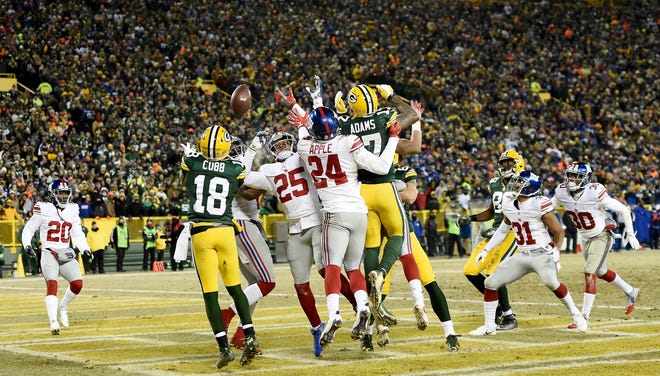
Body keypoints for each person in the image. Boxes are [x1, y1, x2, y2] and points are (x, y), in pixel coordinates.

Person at [287, 103, 400, 351]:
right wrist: (393, 137)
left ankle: (334, 315)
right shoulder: (348, 142)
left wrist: (299, 115)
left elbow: (306, 132)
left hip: (334, 214)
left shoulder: (305, 147)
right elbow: (382, 167)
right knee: (354, 269)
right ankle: (362, 307)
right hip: (359, 213)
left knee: (333, 268)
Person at [241, 130, 358, 357]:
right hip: (295, 231)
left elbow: (320, 149)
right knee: (300, 285)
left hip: (317, 223)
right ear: (272, 151)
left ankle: (358, 305)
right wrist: (253, 149)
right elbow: (244, 176)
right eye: (278, 144)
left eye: (286, 141)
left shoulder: (303, 157)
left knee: (328, 271)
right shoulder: (268, 170)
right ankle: (317, 328)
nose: (283, 146)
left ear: (294, 143)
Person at [334, 82, 427, 330]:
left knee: (371, 246)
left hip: (360, 191)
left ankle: (371, 288)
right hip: (385, 186)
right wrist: (393, 97)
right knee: (398, 233)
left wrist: (342, 111)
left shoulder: (346, 126)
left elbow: (330, 128)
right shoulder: (385, 116)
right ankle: (382, 274)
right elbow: (412, 114)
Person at [469, 171, 587, 335]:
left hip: (542, 254)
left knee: (551, 283)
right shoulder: (509, 202)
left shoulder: (539, 204)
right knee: (490, 283)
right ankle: (489, 327)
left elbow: (559, 231)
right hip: (523, 254)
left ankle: (576, 314)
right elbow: (503, 231)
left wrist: (556, 249)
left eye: (520, 182)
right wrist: (487, 249)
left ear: (529, 187)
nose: (515, 185)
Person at [180, 125, 259, 368]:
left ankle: (224, 348)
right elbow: (241, 170)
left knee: (210, 294)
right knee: (235, 288)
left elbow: (189, 169)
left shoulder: (190, 162)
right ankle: (251, 336)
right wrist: (253, 148)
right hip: (225, 231)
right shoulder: (234, 168)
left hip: (202, 233)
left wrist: (193, 153)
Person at [377, 164, 460, 352]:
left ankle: (450, 333)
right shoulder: (368, 166)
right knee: (378, 290)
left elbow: (410, 196)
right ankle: (369, 334)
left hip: (407, 233)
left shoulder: (403, 170)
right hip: (380, 236)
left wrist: (382, 188)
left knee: (430, 281)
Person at [551, 162, 642, 328]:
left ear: (585, 178)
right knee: (601, 272)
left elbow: (623, 209)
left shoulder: (594, 192)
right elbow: (546, 208)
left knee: (589, 272)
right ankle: (631, 291)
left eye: (577, 176)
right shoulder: (562, 191)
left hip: (601, 235)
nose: (572, 179)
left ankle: (584, 317)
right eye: (570, 175)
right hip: (585, 237)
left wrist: (630, 233)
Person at [220, 134, 277, 351]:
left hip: (238, 226)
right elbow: (249, 193)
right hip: (242, 225)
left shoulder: (229, 169)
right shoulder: (231, 170)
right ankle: (228, 313)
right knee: (267, 282)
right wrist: (267, 183)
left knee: (256, 285)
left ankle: (241, 335)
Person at [458, 150, 524, 331]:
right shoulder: (495, 184)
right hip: (494, 233)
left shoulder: (523, 183)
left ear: (518, 163)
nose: (504, 167)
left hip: (511, 233)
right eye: (502, 163)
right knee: (470, 270)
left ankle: (508, 316)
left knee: (494, 274)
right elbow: (491, 212)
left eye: (508, 163)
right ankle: (496, 306)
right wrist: (470, 218)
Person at [21, 178, 94, 335]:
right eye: (60, 193)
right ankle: (53, 322)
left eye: (65, 193)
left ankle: (63, 306)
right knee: (52, 285)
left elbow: (77, 234)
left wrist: (85, 248)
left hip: (65, 252)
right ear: (52, 194)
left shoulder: (72, 209)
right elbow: (28, 229)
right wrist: (27, 245)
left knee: (78, 284)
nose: (63, 197)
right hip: (49, 252)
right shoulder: (43, 208)